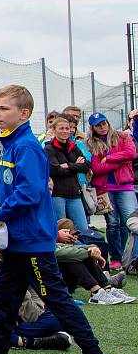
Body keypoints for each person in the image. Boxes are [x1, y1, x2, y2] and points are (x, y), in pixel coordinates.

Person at [0, 85, 116, 354]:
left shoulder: (26, 146)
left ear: (23, 113)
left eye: (4, 109)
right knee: (3, 297)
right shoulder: (12, 144)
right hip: (16, 240)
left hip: (31, 241)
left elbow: (28, 193)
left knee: (55, 298)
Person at [0, 258, 72, 350]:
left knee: (57, 318)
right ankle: (25, 341)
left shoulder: (32, 271)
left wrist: (19, 289)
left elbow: (35, 315)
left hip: (20, 322)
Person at [86, 112, 137, 270]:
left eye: (104, 123)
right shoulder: (92, 143)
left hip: (125, 186)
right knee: (113, 224)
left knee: (131, 223)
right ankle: (116, 257)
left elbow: (131, 153)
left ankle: (128, 258)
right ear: (93, 128)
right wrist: (119, 163)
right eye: (98, 125)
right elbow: (96, 167)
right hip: (105, 188)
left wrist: (109, 158)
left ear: (108, 122)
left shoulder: (122, 136)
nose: (102, 127)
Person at [55, 219, 134, 305]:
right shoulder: (50, 245)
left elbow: (84, 246)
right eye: (71, 234)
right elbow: (63, 252)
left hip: (66, 284)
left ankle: (107, 288)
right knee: (74, 257)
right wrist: (89, 252)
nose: (75, 237)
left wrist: (94, 249)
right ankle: (96, 292)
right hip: (53, 287)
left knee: (84, 253)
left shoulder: (71, 243)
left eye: (76, 234)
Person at [44, 116, 90, 231]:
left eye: (67, 128)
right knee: (62, 228)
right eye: (61, 128)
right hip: (57, 194)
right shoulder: (49, 148)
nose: (65, 131)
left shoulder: (73, 147)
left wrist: (68, 165)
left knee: (83, 228)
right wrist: (75, 165)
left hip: (74, 193)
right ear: (53, 130)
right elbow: (55, 170)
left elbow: (86, 166)